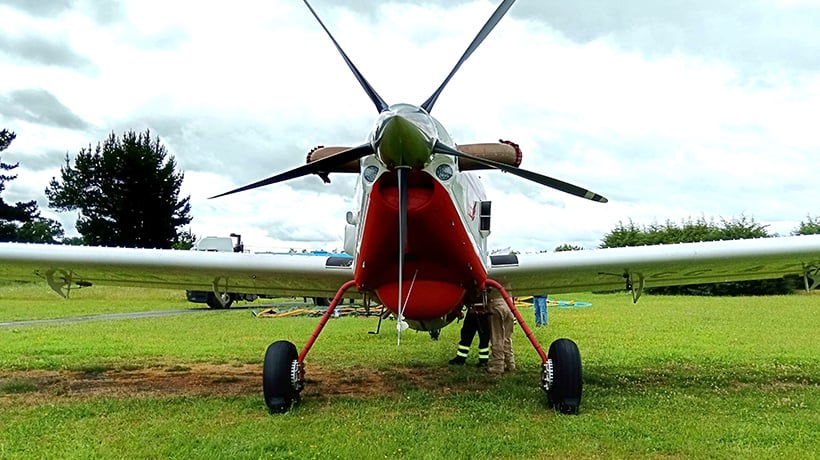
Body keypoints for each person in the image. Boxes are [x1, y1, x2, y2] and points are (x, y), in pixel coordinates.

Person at [448, 297, 491, 367]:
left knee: (482, 336)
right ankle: (461, 358)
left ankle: (483, 360)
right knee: (467, 334)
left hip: (481, 312)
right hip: (475, 311)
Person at [487, 288, 515, 374]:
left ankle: (498, 365)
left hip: (496, 303)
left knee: (497, 336)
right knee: (507, 336)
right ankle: (510, 362)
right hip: (509, 304)